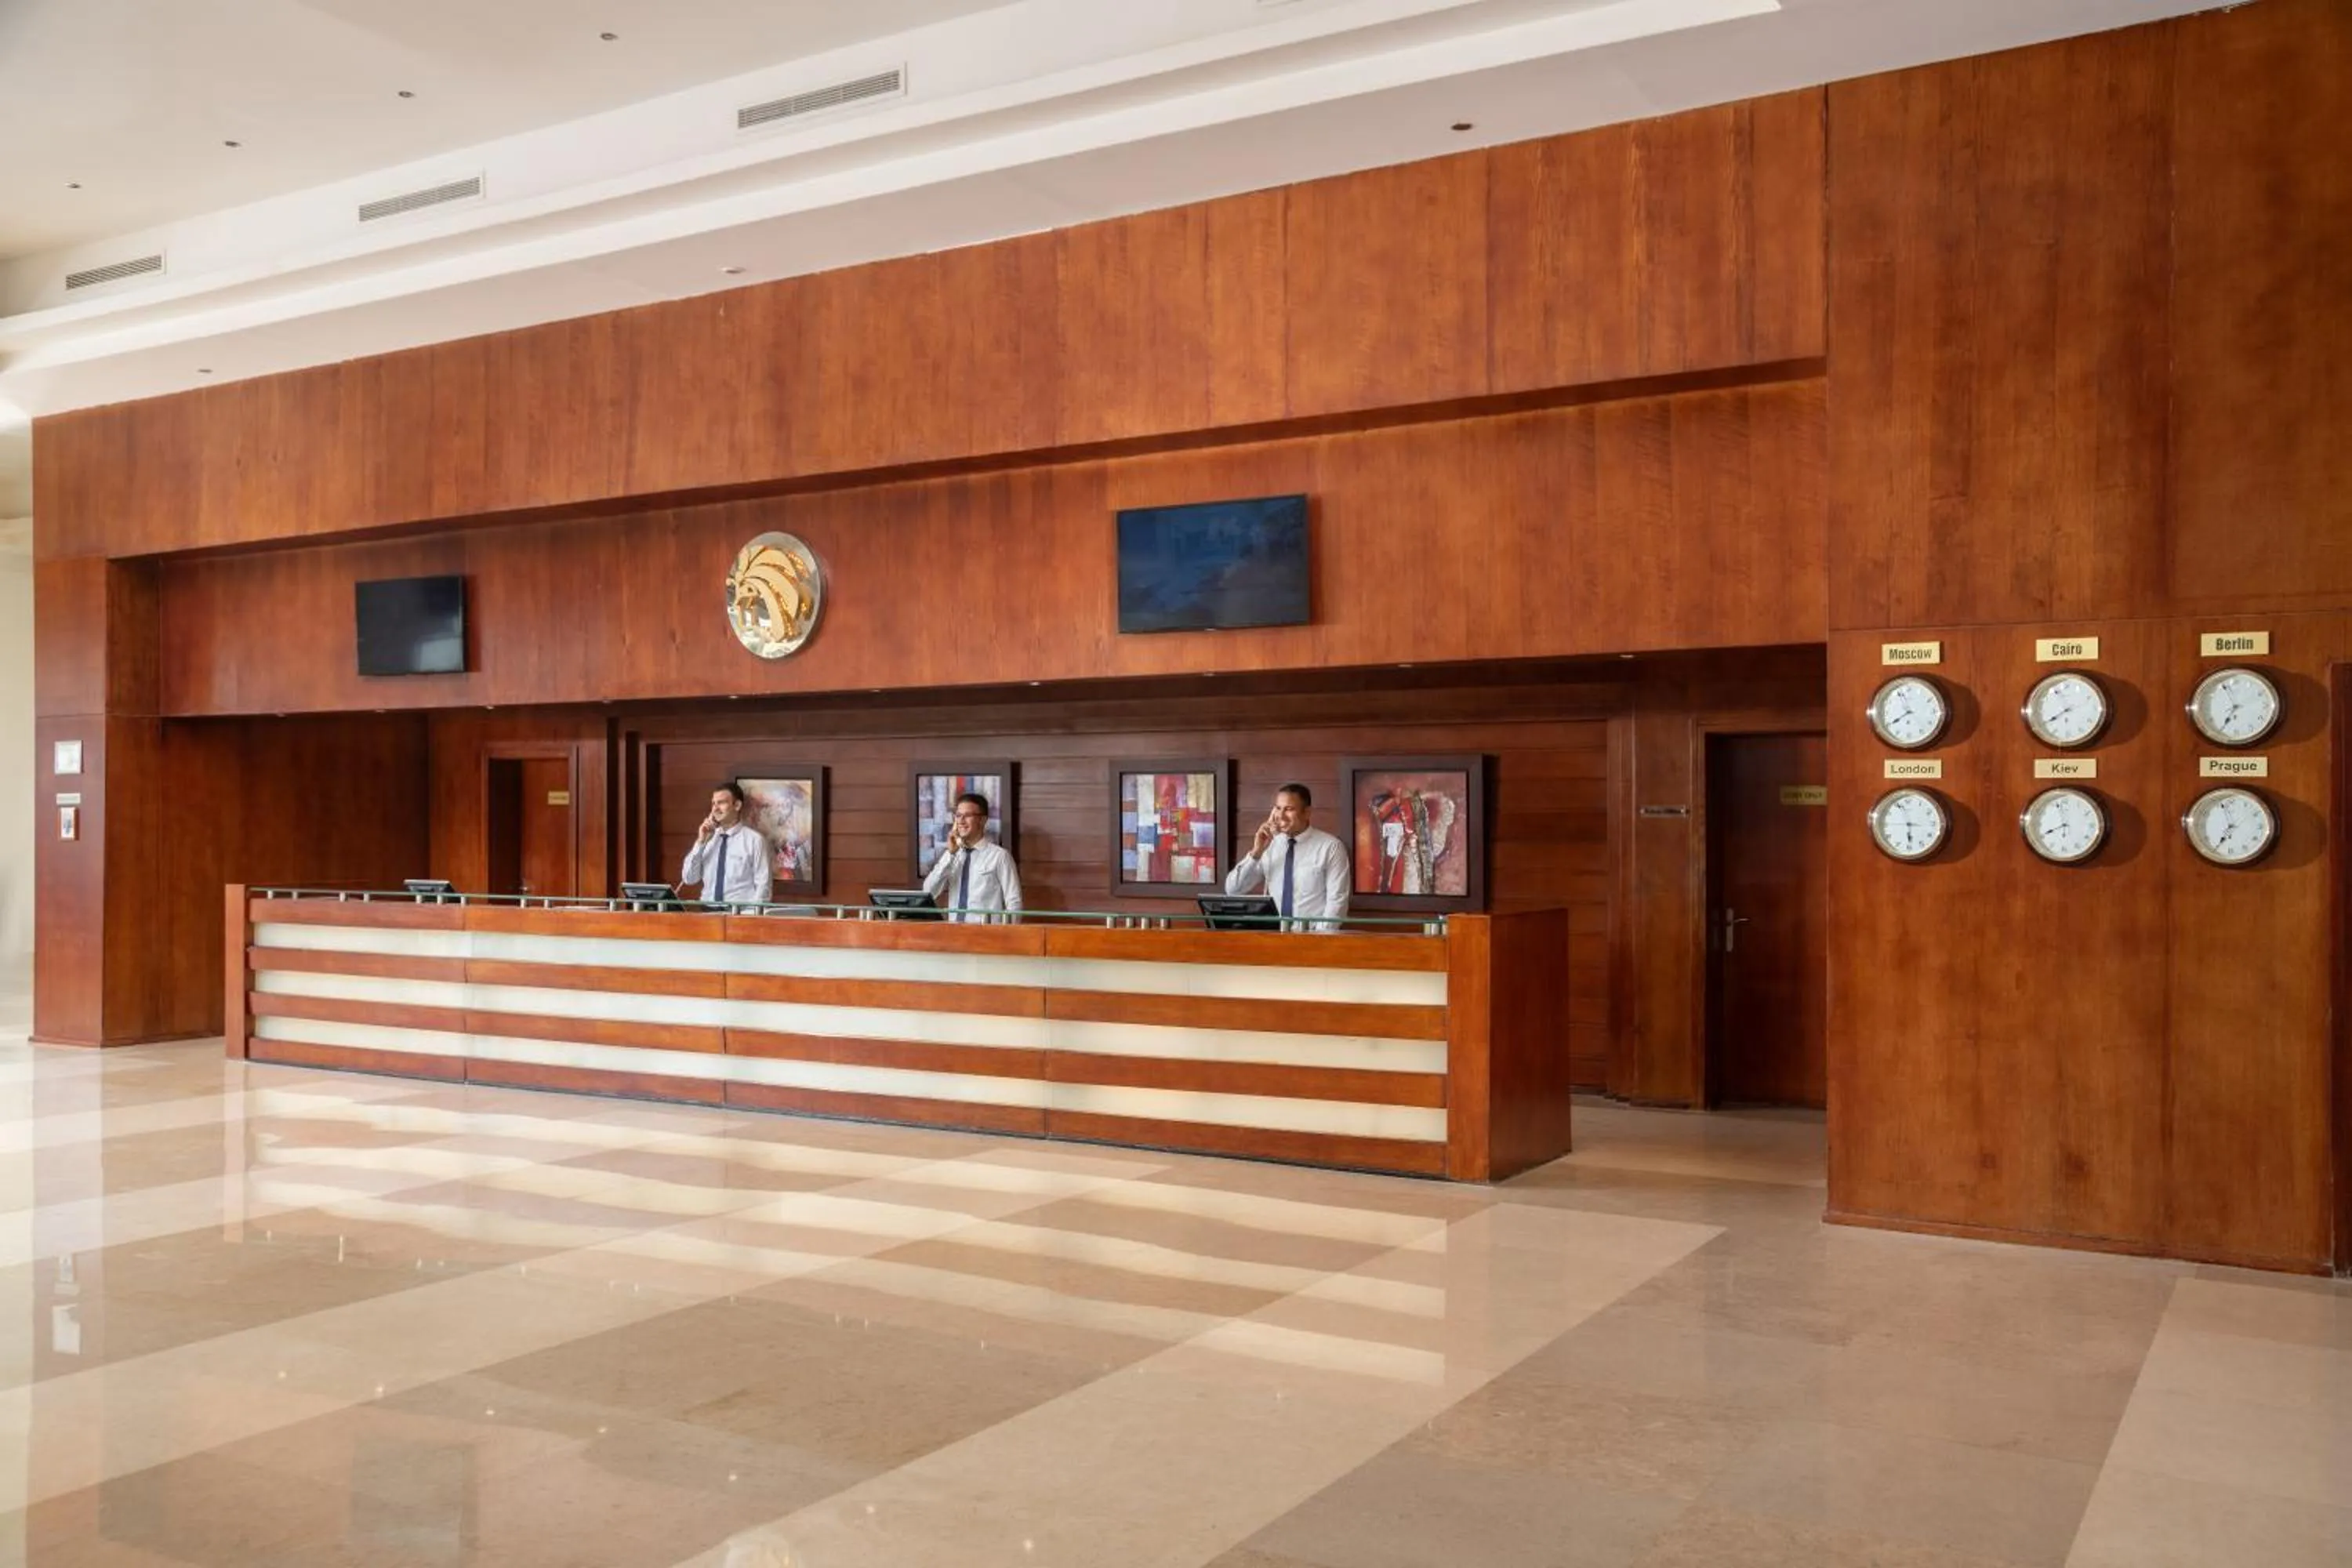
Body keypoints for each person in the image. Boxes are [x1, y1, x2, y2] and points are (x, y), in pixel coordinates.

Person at [1223, 782, 1349, 927]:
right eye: (1278, 808)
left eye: (1289, 809)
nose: (1281, 816)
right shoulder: (1270, 846)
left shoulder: (1331, 847)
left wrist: (1319, 939)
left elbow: (1337, 903)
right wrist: (1256, 852)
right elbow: (1234, 890)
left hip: (1312, 940)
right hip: (1272, 939)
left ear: (1307, 813)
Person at [921, 792, 1023, 924]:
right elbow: (929, 891)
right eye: (958, 816)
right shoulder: (952, 856)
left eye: (967, 815)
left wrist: (1007, 937)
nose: (961, 821)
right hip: (954, 934)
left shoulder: (999, 856)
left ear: (982, 820)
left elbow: (1014, 902)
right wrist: (950, 854)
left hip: (987, 937)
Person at [679, 782, 774, 906]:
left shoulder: (755, 840)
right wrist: (700, 842)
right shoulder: (708, 839)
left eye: (721, 803)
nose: (715, 809)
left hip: (741, 915)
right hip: (708, 914)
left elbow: (763, 886)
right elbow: (689, 879)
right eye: (713, 803)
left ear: (737, 805)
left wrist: (752, 918)